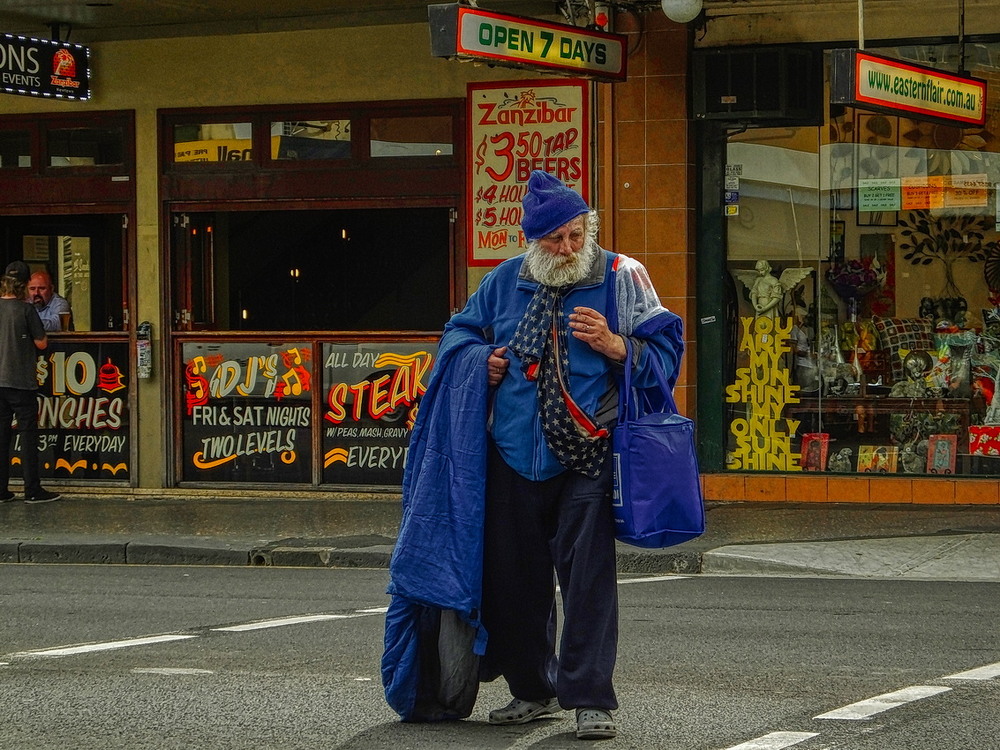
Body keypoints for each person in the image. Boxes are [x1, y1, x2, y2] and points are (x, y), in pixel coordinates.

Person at [385, 171, 684, 739]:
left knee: (587, 582)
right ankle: (533, 689)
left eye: (576, 236)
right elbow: (456, 337)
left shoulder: (624, 277)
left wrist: (616, 345)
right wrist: (483, 362)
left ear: (588, 230)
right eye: (555, 240)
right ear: (532, 241)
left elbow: (669, 349)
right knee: (516, 583)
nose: (568, 250)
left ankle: (590, 698)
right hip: (512, 456)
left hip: (588, 456)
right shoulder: (503, 282)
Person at [0, 261, 60, 504]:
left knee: (2, 436)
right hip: (21, 380)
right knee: (27, 436)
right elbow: (42, 343)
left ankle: (1, 490)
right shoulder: (25, 310)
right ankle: (32, 489)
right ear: (24, 286)